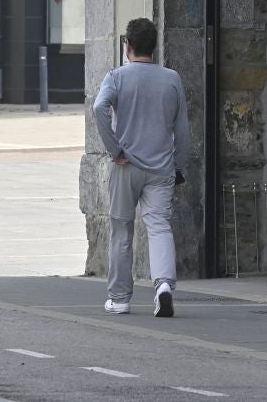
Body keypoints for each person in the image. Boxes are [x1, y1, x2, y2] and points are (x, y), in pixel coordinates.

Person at [93, 17, 190, 318]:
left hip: (126, 165)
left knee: (122, 229)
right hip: (161, 167)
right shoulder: (172, 78)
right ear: (154, 46)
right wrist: (178, 165)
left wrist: (114, 148)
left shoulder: (117, 76)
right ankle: (163, 287)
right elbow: (182, 128)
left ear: (128, 45)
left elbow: (99, 107)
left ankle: (120, 298)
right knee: (159, 226)